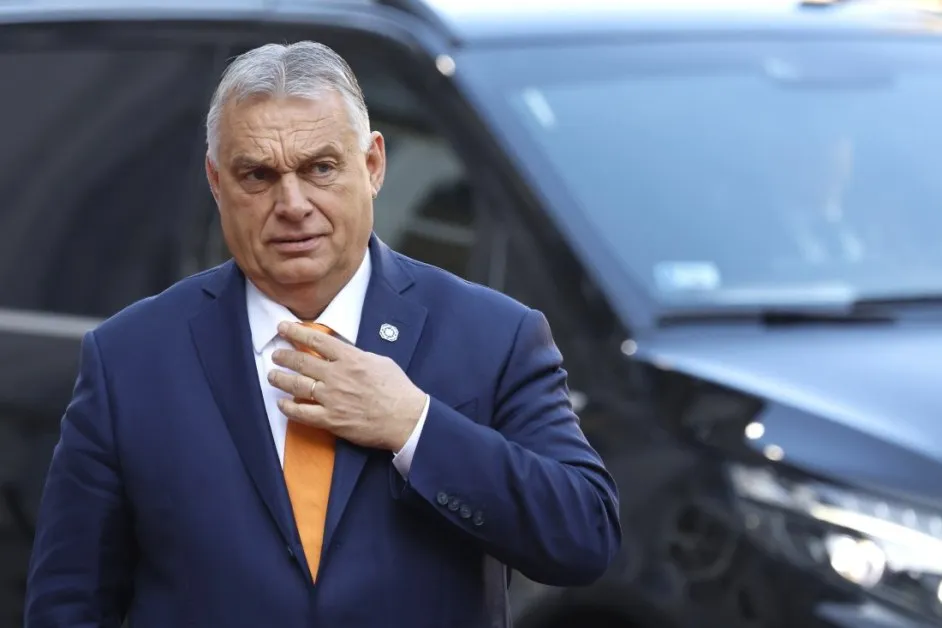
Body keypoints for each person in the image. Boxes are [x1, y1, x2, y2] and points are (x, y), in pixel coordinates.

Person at [24, 41, 621, 628]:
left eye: (321, 168)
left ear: (373, 165)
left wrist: (413, 426)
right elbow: (69, 603)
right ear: (216, 181)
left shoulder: (493, 335)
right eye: (258, 175)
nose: (293, 203)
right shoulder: (130, 358)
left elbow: (584, 536)